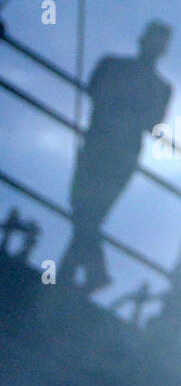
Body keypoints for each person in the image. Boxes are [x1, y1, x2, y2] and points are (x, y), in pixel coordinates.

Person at [61, 20, 173, 292]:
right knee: (87, 211)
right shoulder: (149, 83)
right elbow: (150, 122)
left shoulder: (117, 68)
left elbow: (148, 121)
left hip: (108, 149)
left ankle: (74, 273)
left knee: (86, 211)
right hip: (110, 150)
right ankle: (82, 273)